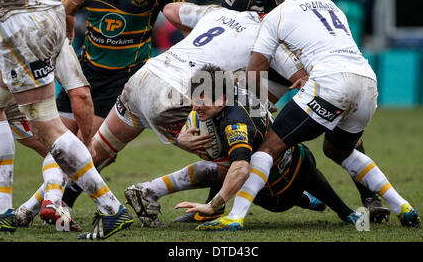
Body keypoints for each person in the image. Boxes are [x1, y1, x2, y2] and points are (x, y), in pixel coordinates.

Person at [190, 0, 420, 230]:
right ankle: (402, 205)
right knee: (339, 149)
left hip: (330, 81)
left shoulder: (278, 14)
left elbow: (255, 68)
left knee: (268, 148)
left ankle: (235, 217)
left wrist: (252, 109)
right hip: (367, 81)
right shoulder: (334, 8)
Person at [73, 1, 314, 222]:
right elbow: (300, 77)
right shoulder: (267, 34)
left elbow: (169, 10)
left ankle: (49, 200)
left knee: (95, 150)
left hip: (144, 76)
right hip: (172, 93)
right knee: (233, 163)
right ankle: (156, 193)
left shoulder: (217, 12)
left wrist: (192, 40)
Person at [0, 0, 133, 240]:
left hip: (23, 23)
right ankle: (2, 209)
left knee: (48, 127)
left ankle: (111, 209)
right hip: (50, 14)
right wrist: (69, 10)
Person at [126, 66, 364, 230]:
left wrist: (213, 204)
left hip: (274, 194)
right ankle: (340, 210)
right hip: (297, 162)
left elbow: (239, 167)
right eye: (194, 98)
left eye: (202, 100)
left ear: (221, 98)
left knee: (223, 163)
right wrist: (181, 139)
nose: (195, 106)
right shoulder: (233, 89)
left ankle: (150, 191)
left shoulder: (234, 123)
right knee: (235, 154)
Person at [58, 0, 185, 208]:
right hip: (86, 72)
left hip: (126, 80)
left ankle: (62, 203)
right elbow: (66, 14)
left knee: (88, 148)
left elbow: (184, 21)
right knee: (56, 143)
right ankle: (53, 199)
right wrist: (60, 57)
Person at [0, 10, 92, 231]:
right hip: (18, 80)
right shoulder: (42, 18)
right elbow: (79, 91)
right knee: (54, 149)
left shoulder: (2, 8)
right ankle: (50, 201)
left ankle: (3, 208)